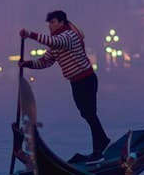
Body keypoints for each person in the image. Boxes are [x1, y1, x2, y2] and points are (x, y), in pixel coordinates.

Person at [21, 9, 110, 157]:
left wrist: (30, 34)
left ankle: (99, 146)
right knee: (86, 114)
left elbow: (55, 41)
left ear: (62, 22)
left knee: (90, 113)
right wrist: (27, 64)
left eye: (53, 22)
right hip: (75, 82)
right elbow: (45, 62)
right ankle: (102, 141)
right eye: (49, 23)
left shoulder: (68, 36)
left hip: (86, 79)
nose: (50, 25)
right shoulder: (55, 44)